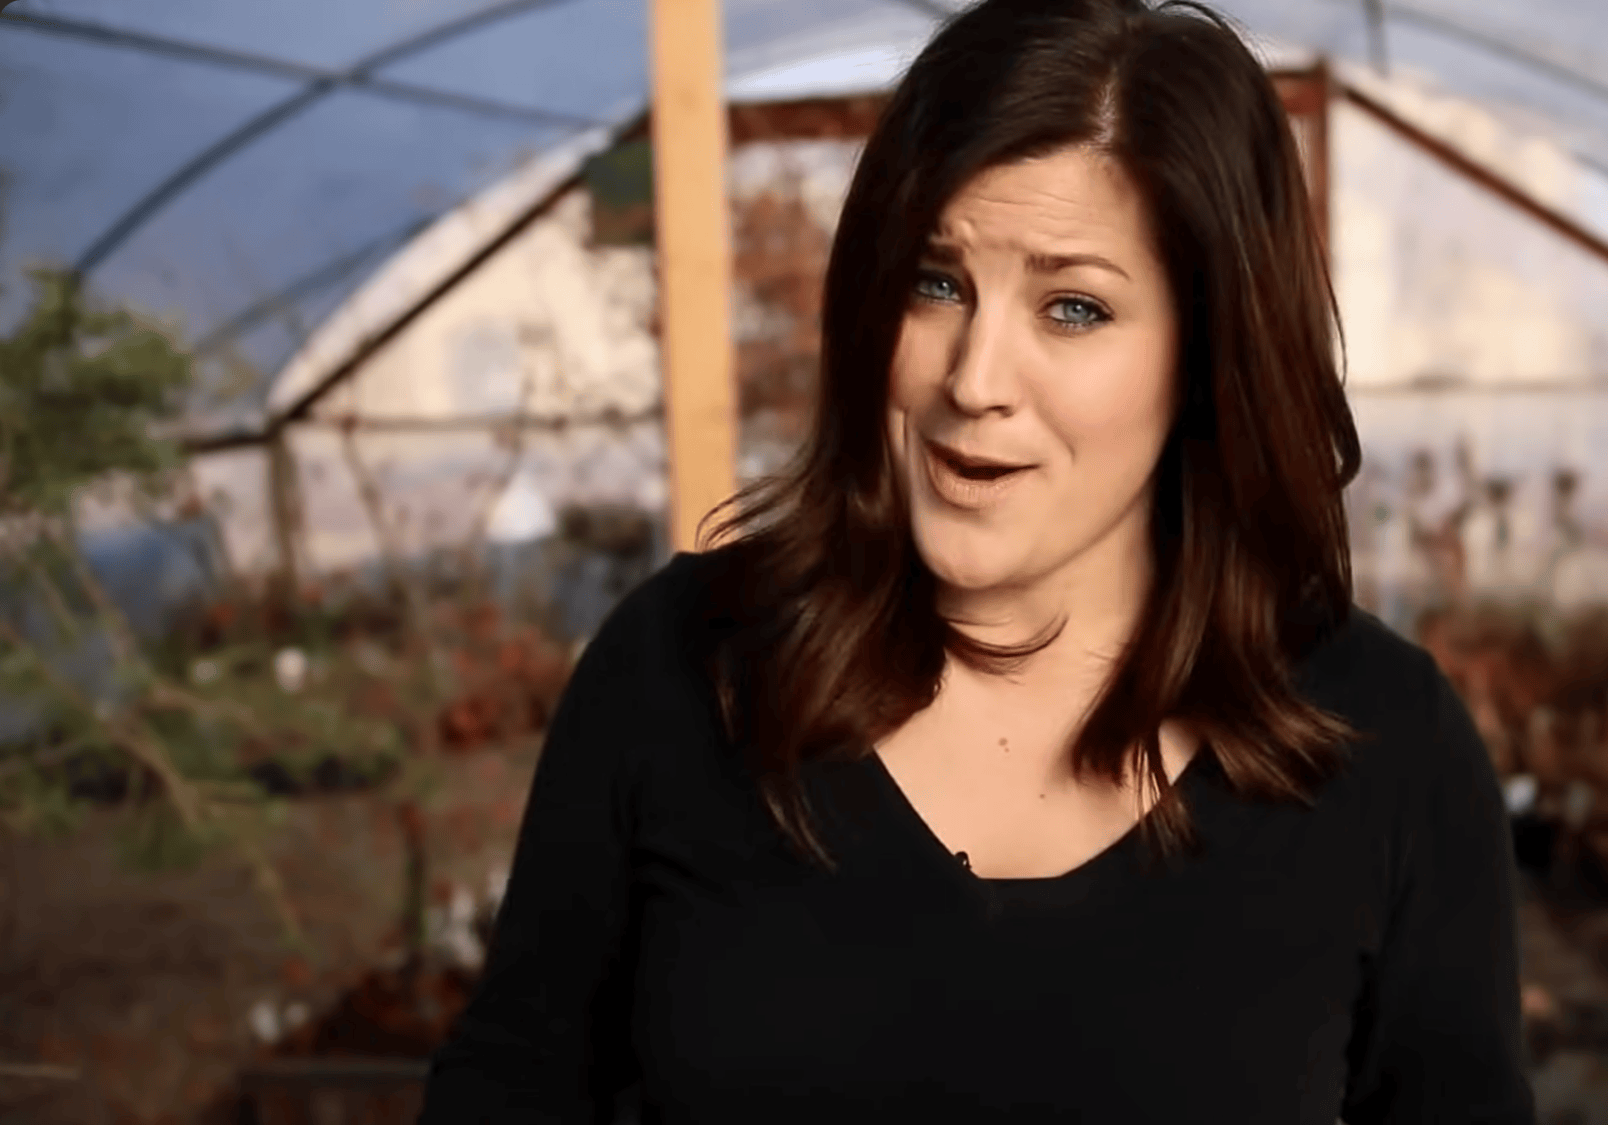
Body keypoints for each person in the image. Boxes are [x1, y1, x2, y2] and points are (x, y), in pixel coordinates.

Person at [418, 0, 1536, 1120]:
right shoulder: (683, 666)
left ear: (1206, 359)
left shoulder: (1384, 747)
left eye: (1072, 308)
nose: (973, 378)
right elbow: (509, 1085)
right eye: (935, 282)